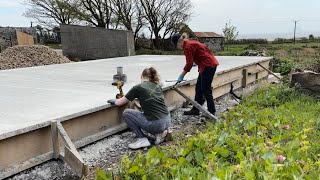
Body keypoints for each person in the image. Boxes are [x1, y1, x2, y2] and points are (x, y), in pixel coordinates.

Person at [108, 67, 171, 149]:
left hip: (156, 124)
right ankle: (160, 133)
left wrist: (113, 100)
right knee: (146, 113)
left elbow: (119, 102)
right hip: (167, 121)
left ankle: (141, 139)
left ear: (141, 76)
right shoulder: (157, 85)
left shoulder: (138, 87)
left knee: (127, 113)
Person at [171, 33, 220, 116]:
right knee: (198, 88)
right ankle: (196, 109)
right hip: (206, 65)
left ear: (179, 42)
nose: (177, 47)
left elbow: (189, 64)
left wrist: (182, 75)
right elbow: (201, 52)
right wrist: (196, 61)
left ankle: (212, 112)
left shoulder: (187, 46)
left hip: (208, 66)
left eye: (176, 45)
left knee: (206, 89)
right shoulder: (189, 43)